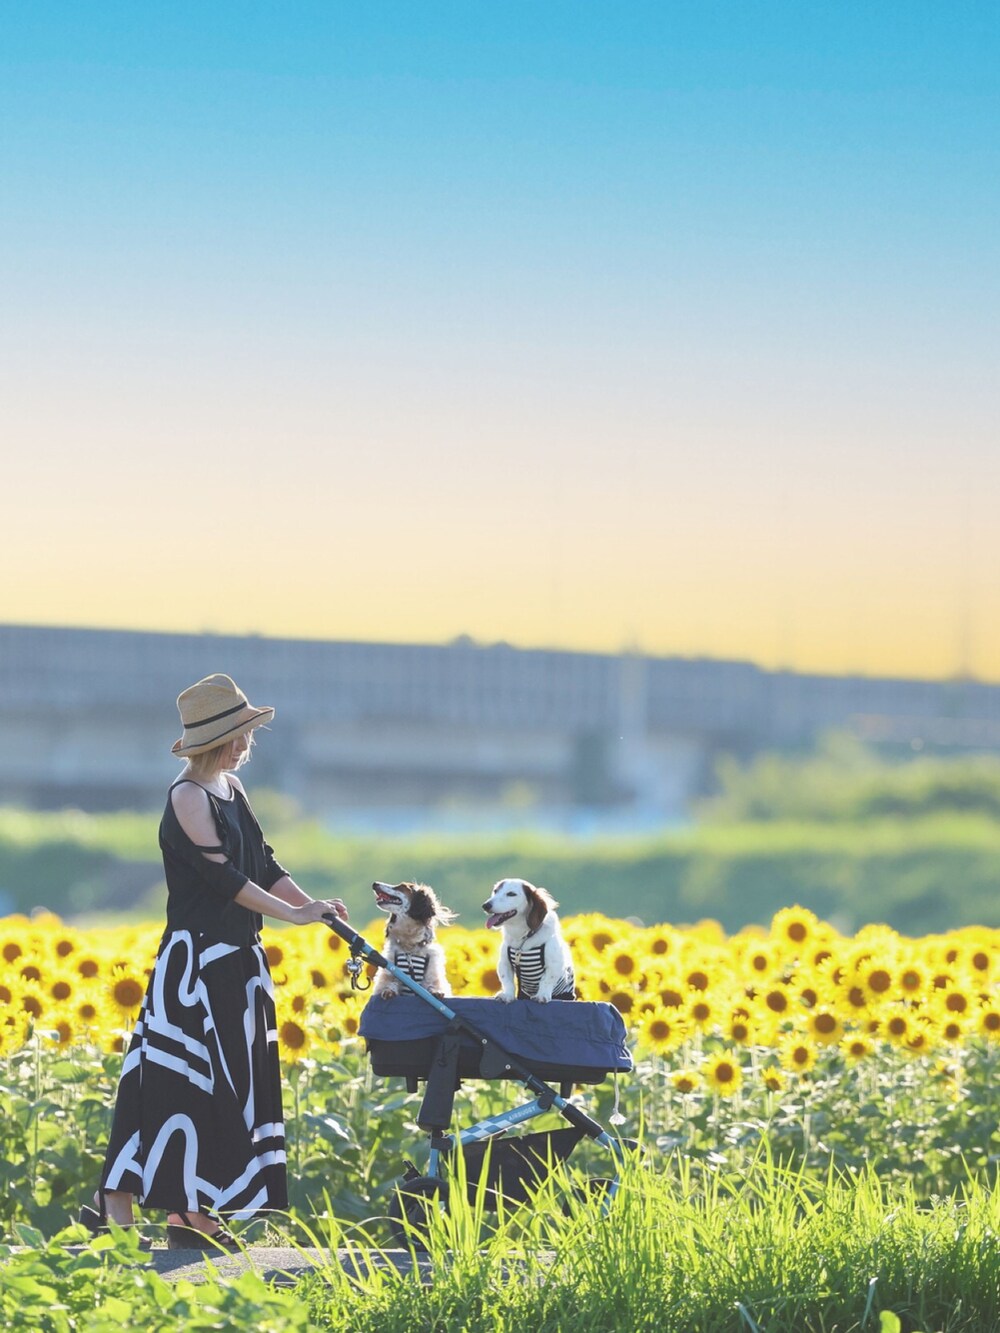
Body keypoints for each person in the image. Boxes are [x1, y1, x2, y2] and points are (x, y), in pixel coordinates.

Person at [80, 673, 348, 1250]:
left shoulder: (232, 789)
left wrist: (318, 910)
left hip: (239, 962)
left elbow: (264, 864)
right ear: (217, 741)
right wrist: (290, 917)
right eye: (240, 735)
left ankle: (178, 1207)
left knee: (211, 1085)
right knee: (175, 1081)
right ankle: (136, 1201)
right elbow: (226, 879)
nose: (247, 744)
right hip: (195, 964)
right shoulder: (187, 796)